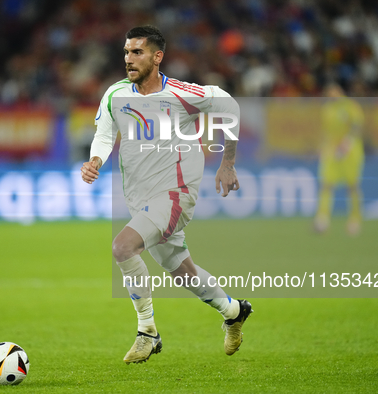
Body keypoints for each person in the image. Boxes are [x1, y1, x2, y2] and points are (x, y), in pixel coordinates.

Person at [80, 26, 252, 364]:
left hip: (176, 194)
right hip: (140, 198)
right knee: (182, 270)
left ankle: (148, 332)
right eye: (127, 52)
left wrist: (227, 163)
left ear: (157, 57)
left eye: (137, 52)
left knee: (122, 247)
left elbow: (229, 107)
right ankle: (234, 311)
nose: (129, 59)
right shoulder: (115, 94)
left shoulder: (180, 93)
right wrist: (96, 159)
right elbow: (104, 133)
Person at [314, 83, 365, 236]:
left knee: (352, 186)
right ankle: (322, 220)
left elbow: (357, 125)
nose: (331, 95)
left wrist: (347, 142)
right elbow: (326, 131)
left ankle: (354, 221)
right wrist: (322, 147)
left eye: (333, 92)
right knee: (326, 184)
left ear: (340, 91)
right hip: (332, 151)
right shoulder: (327, 109)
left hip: (350, 151)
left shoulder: (350, 106)